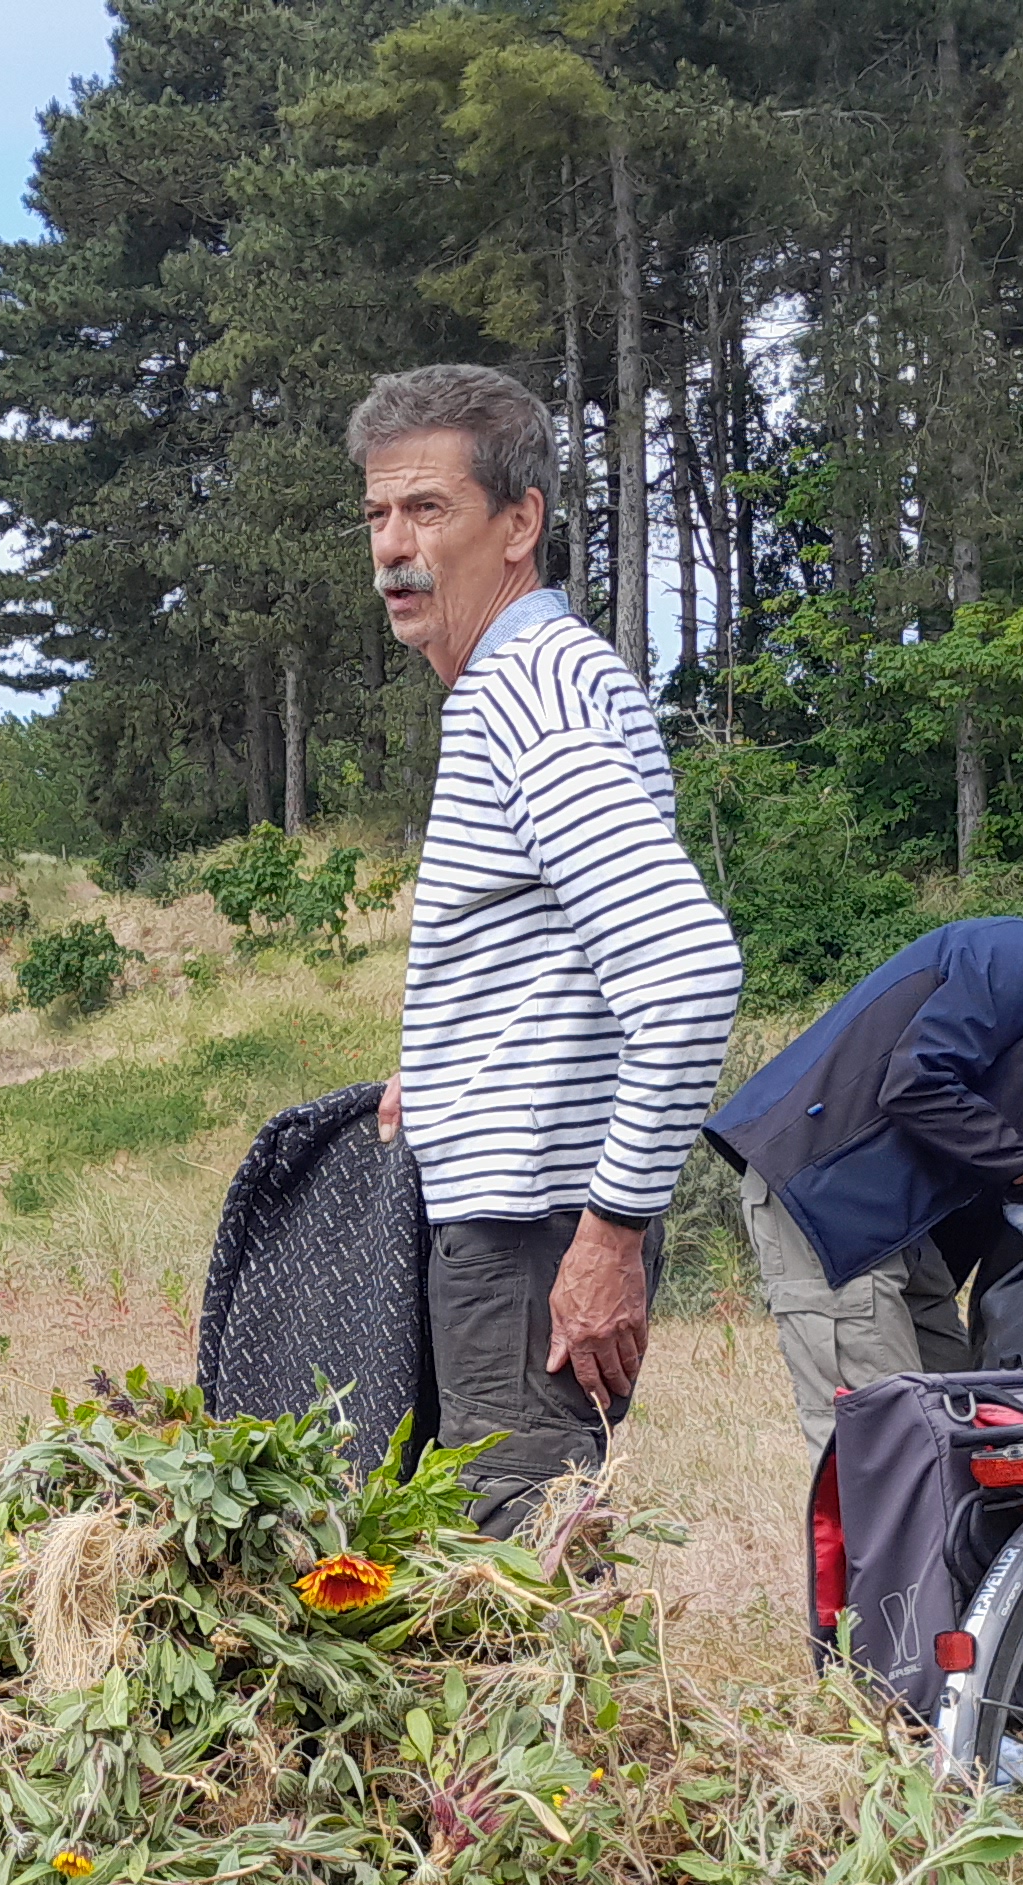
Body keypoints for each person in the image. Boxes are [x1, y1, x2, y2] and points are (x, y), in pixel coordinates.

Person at [356, 364, 742, 1529]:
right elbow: (562, 951)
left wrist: (613, 1230)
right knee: (496, 1584)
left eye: (428, 510)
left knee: (513, 1596)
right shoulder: (539, 681)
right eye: (376, 514)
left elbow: (684, 968)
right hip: (523, 1217)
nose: (391, 547)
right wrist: (444, 1067)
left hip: (534, 1234)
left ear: (519, 523)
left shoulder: (531, 690)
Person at [708, 916, 1023, 1446]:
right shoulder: (1015, 961)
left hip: (900, 1221)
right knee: (880, 1434)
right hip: (829, 1199)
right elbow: (916, 1084)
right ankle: (881, 1530)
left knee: (962, 1410)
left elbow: (983, 1156)